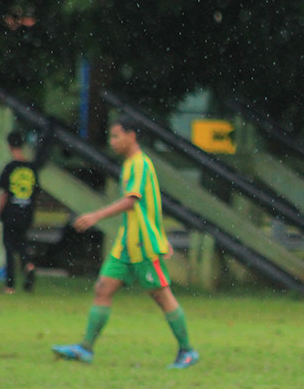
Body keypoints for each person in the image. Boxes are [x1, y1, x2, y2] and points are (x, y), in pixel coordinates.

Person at [52, 115, 199, 369]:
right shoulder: (130, 164)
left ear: (132, 136)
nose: (113, 141)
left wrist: (96, 215)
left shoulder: (140, 164)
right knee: (103, 288)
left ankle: (187, 351)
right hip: (126, 243)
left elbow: (133, 201)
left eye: (116, 136)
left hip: (141, 243)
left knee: (161, 296)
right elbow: (150, 204)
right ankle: (85, 349)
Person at [0, 131, 39, 294]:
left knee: (9, 247)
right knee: (22, 242)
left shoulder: (10, 167)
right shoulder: (32, 168)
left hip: (10, 212)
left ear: (9, 146)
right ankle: (28, 263)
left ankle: (10, 285)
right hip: (26, 212)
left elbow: (4, 194)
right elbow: (35, 192)